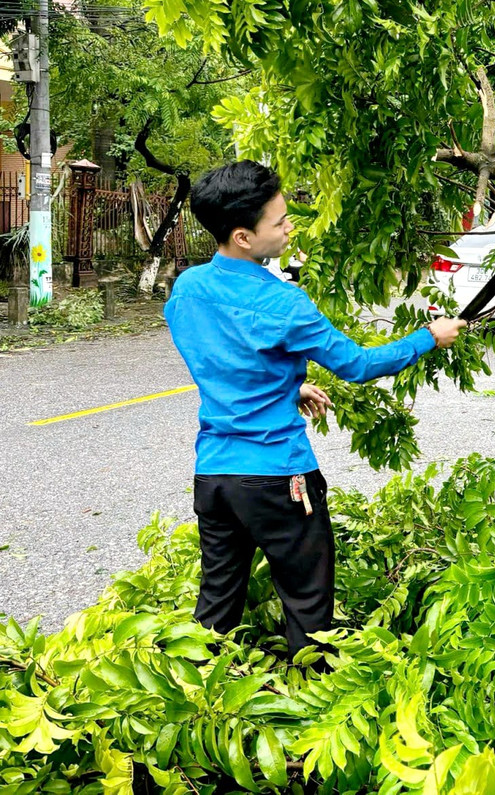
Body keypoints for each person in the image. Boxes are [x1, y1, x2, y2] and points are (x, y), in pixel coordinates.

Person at [165, 161, 467, 658]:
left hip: (214, 476)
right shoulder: (285, 303)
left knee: (215, 607)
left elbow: (219, 356)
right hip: (278, 478)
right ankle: (308, 701)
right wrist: (429, 336)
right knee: (307, 603)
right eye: (279, 222)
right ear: (243, 235)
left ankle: (195, 699)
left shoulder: (188, 288)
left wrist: (286, 385)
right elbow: (358, 364)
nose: (289, 228)